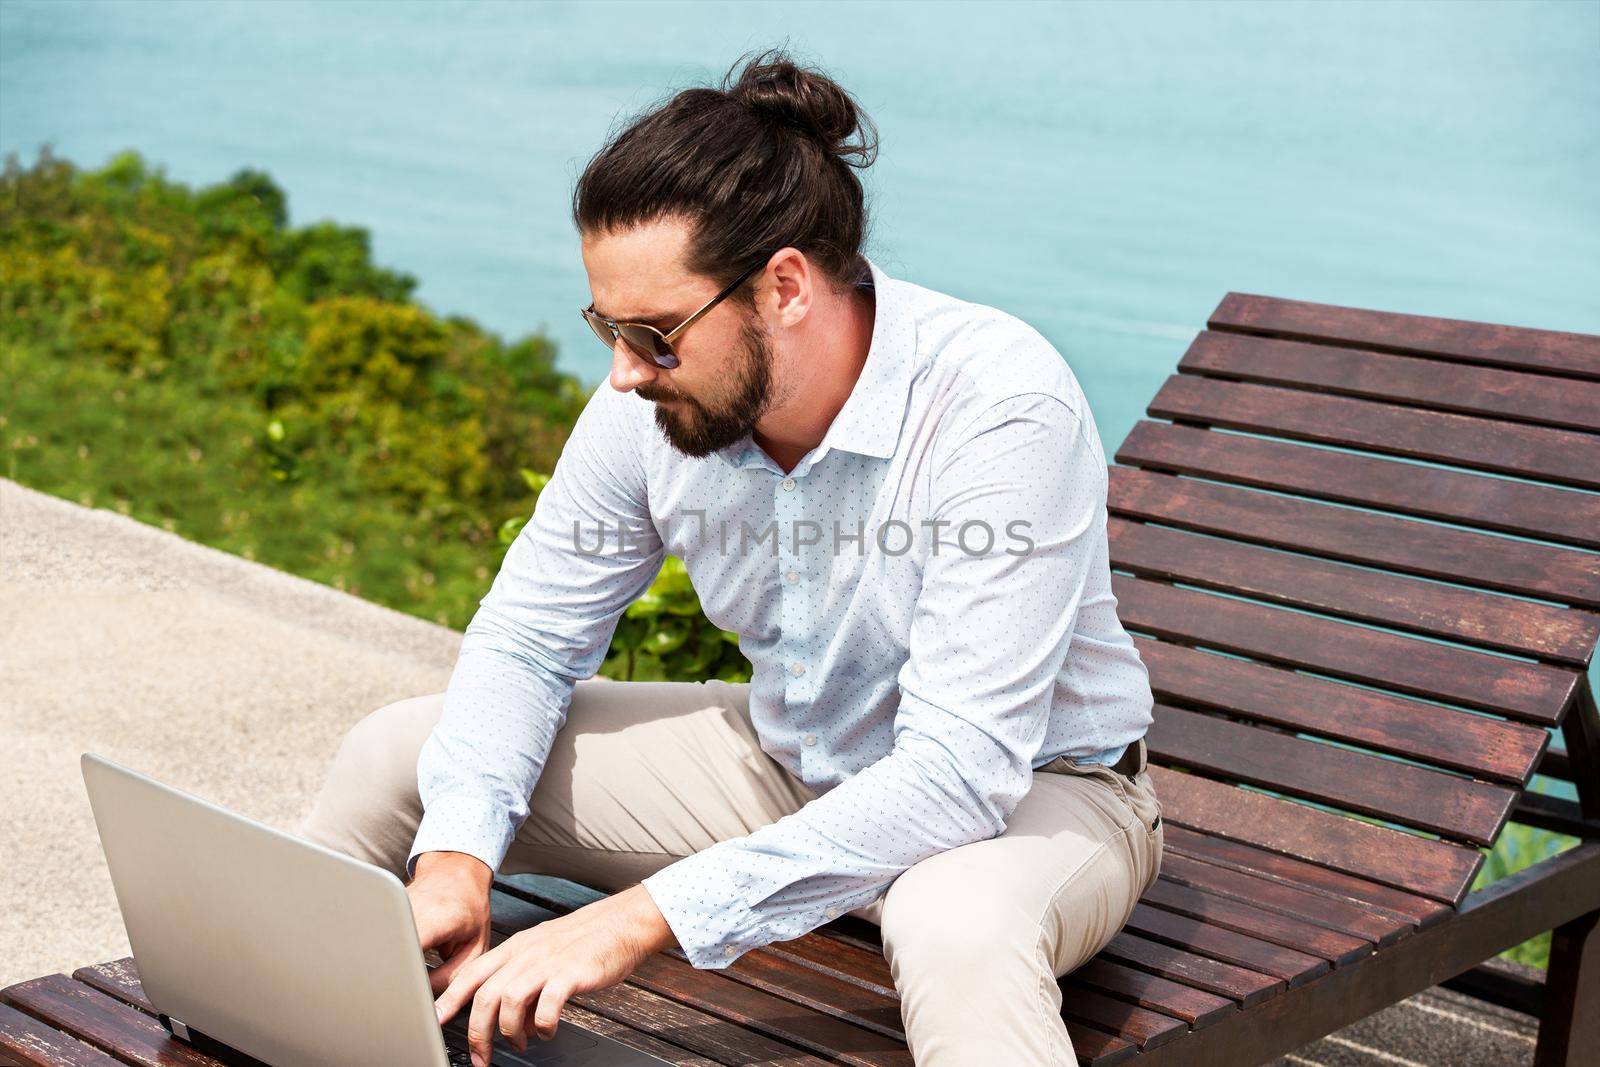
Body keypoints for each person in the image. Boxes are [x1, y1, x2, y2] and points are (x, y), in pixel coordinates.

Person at [299, 45, 1161, 1067]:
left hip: (1032, 797)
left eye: (654, 333)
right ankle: (286, 1028)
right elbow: (531, 637)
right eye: (606, 326)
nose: (622, 372)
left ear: (784, 286)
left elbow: (958, 774)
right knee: (399, 755)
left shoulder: (997, 407)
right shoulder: (654, 399)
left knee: (951, 925)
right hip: (794, 762)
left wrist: (628, 918)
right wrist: (453, 858)